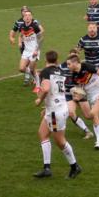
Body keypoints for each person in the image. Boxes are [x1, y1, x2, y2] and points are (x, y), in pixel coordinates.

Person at [33, 51, 82, 179]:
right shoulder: (60, 71)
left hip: (55, 113)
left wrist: (39, 99)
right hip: (58, 108)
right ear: (57, 60)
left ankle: (75, 166)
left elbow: (46, 89)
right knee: (42, 134)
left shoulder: (45, 72)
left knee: (60, 141)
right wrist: (46, 107)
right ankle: (47, 168)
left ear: (46, 59)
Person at [10, 10, 44, 91]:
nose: (28, 17)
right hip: (26, 51)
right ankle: (36, 75)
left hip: (34, 51)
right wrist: (19, 42)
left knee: (32, 69)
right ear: (24, 18)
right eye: (26, 15)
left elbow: (41, 39)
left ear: (31, 17)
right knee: (21, 69)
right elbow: (20, 35)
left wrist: (36, 50)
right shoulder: (22, 26)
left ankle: (38, 86)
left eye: (29, 15)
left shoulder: (35, 26)